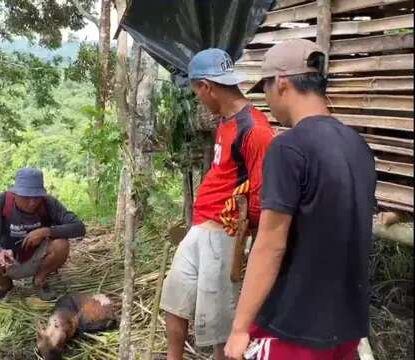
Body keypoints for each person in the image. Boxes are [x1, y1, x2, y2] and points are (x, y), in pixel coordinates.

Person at [224, 39, 377, 360]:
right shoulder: (358, 147)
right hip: (346, 331)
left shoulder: (289, 147)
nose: (266, 99)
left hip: (292, 329)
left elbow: (270, 243)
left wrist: (240, 327)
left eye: (264, 88)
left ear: (282, 83)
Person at [160, 48, 274, 360]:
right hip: (201, 227)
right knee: (175, 300)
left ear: (207, 87)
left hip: (222, 235)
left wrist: (241, 235)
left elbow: (263, 195)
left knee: (220, 324)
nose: (199, 99)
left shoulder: (255, 130)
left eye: (197, 91)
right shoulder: (226, 122)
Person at [0, 167, 86, 301]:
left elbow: (79, 227)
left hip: (37, 257)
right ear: (15, 193)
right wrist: (0, 253)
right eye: (26, 197)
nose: (32, 202)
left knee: (61, 244)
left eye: (36, 197)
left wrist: (46, 231)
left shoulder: (48, 203)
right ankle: (5, 285)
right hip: (8, 260)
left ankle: (39, 280)